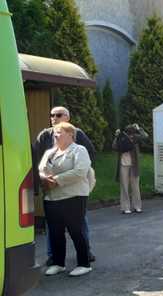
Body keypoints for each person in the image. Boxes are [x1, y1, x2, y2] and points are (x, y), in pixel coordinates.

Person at [32, 106, 97, 266]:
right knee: (54, 228)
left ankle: (85, 254)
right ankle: (54, 257)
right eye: (52, 115)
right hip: (52, 192)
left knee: (78, 225)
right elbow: (36, 160)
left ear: (67, 118)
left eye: (58, 115)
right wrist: (41, 181)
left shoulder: (77, 135)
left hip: (73, 192)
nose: (54, 117)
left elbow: (87, 161)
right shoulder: (44, 135)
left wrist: (61, 179)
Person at [113, 123, 148, 214]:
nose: (131, 135)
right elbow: (114, 146)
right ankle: (129, 207)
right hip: (123, 164)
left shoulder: (135, 138)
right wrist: (116, 137)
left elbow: (145, 136)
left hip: (133, 164)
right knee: (126, 186)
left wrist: (139, 128)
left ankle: (132, 207)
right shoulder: (122, 137)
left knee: (133, 186)